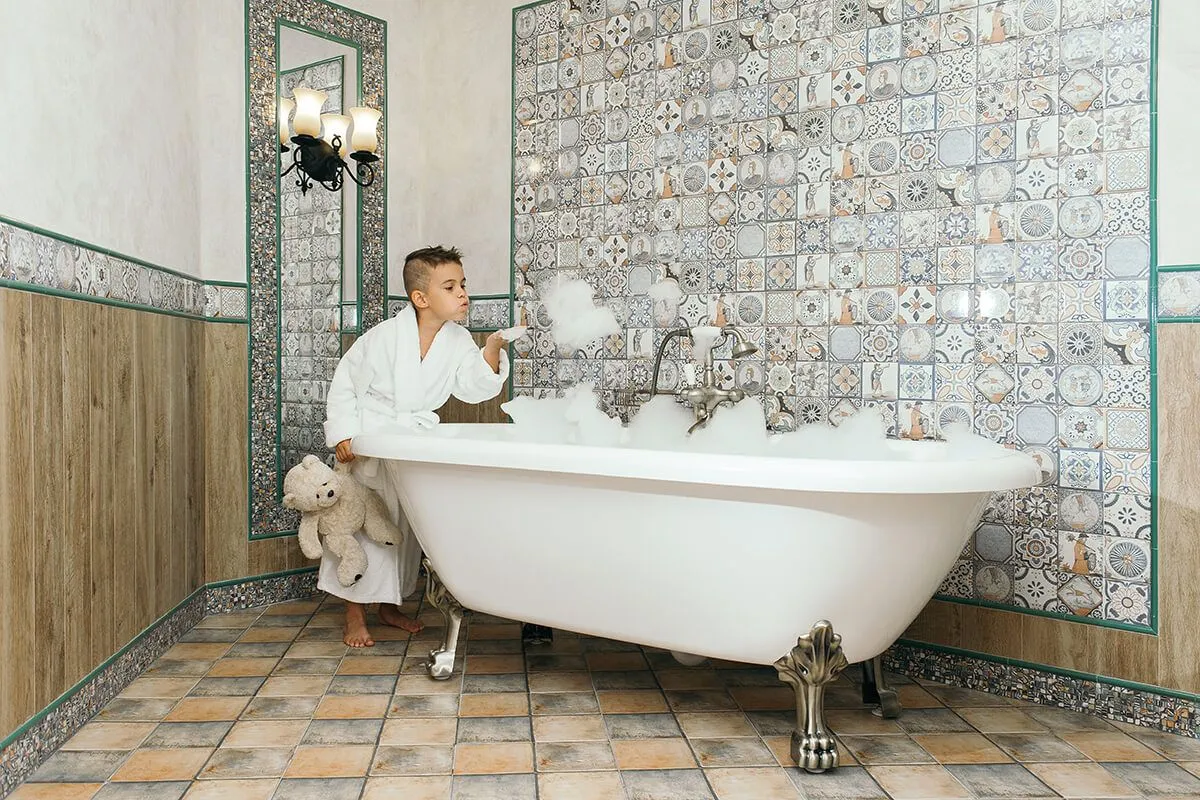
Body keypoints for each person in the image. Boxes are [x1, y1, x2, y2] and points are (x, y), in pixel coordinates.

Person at [323, 246, 509, 647]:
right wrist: (343, 433)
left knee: (403, 527)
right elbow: (345, 383)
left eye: (463, 285)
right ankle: (353, 612)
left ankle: (389, 603)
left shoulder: (458, 340)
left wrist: (491, 351)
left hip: (410, 442)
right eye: (450, 286)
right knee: (361, 526)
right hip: (371, 440)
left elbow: (473, 388)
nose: (463, 293)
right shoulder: (383, 338)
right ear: (420, 298)